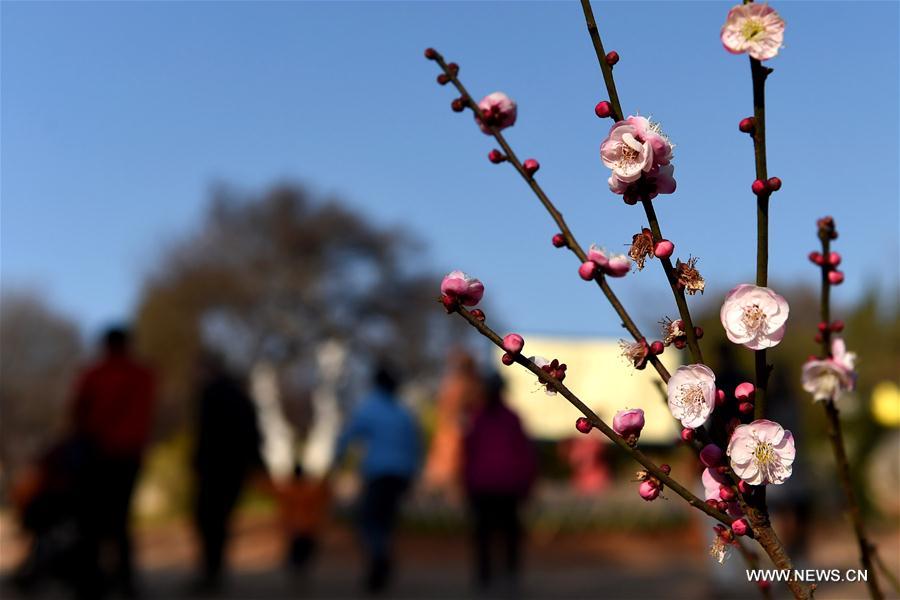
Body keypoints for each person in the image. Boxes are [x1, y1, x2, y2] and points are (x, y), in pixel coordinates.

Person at [69, 326, 156, 599]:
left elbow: (78, 412)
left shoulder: (94, 374)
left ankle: (92, 582)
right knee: (120, 520)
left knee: (92, 523)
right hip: (130, 456)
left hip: (99, 455)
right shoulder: (144, 376)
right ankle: (125, 582)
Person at [333, 365, 421, 594]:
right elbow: (415, 444)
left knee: (369, 521)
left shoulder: (370, 408)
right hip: (400, 475)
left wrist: (338, 459)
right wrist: (412, 474)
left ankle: (378, 558)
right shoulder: (403, 411)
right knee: (386, 520)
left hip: (378, 473)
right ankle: (382, 559)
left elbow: (348, 436)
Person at [191, 352, 263, 592]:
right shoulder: (242, 396)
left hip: (214, 468)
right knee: (220, 520)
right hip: (235, 468)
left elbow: (205, 433)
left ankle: (212, 572)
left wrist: (197, 462)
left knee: (208, 519)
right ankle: (214, 571)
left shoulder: (211, 394)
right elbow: (254, 433)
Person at [463, 372, 537, 594]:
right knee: (502, 533)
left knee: (490, 533)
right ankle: (501, 576)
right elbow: (526, 454)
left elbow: (469, 452)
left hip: (491, 486)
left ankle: (492, 576)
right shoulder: (501, 418)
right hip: (503, 486)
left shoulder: (481, 418)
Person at [423, 349, 484, 500]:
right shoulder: (465, 384)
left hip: (457, 437)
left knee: (453, 478)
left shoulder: (465, 385)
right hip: (452, 436)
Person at [277, 464, 330, 575]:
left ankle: (297, 567)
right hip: (307, 527)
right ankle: (300, 567)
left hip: (296, 528)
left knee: (298, 550)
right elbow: (325, 493)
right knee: (304, 550)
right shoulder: (311, 490)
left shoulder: (288, 490)